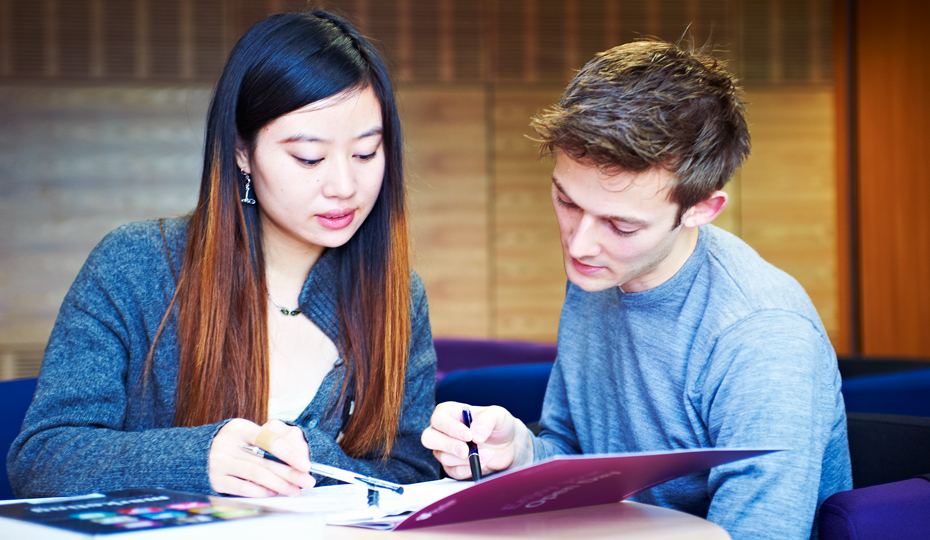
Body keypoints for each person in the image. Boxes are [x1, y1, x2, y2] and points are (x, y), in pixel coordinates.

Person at [422, 40, 851, 539]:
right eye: (566, 201)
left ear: (700, 210)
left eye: (621, 227)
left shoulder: (761, 336)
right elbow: (580, 462)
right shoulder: (603, 274)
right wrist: (518, 450)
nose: (580, 245)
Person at [8, 11, 439, 498]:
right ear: (240, 151)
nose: (344, 186)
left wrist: (313, 462)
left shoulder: (397, 293)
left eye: (366, 154)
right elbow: (43, 458)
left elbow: (411, 470)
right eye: (309, 157)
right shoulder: (136, 266)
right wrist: (198, 459)